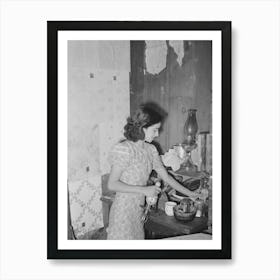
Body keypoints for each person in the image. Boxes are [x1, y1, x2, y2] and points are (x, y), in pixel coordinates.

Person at [106, 105, 200, 240]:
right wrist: (144, 190)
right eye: (154, 130)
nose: (157, 134)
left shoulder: (151, 150)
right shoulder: (124, 149)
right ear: (142, 128)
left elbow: (166, 177)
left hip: (139, 209)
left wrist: (191, 194)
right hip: (123, 210)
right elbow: (112, 184)